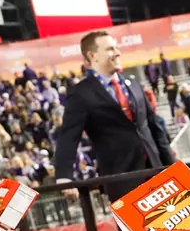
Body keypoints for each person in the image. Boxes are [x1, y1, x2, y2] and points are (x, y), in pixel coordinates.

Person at [54, 31, 175, 201]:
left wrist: (172, 164)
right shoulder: (81, 93)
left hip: (158, 174)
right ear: (92, 56)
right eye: (110, 49)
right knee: (138, 229)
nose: (118, 53)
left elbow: (154, 127)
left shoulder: (133, 84)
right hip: (122, 181)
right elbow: (68, 137)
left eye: (116, 47)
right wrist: (64, 177)